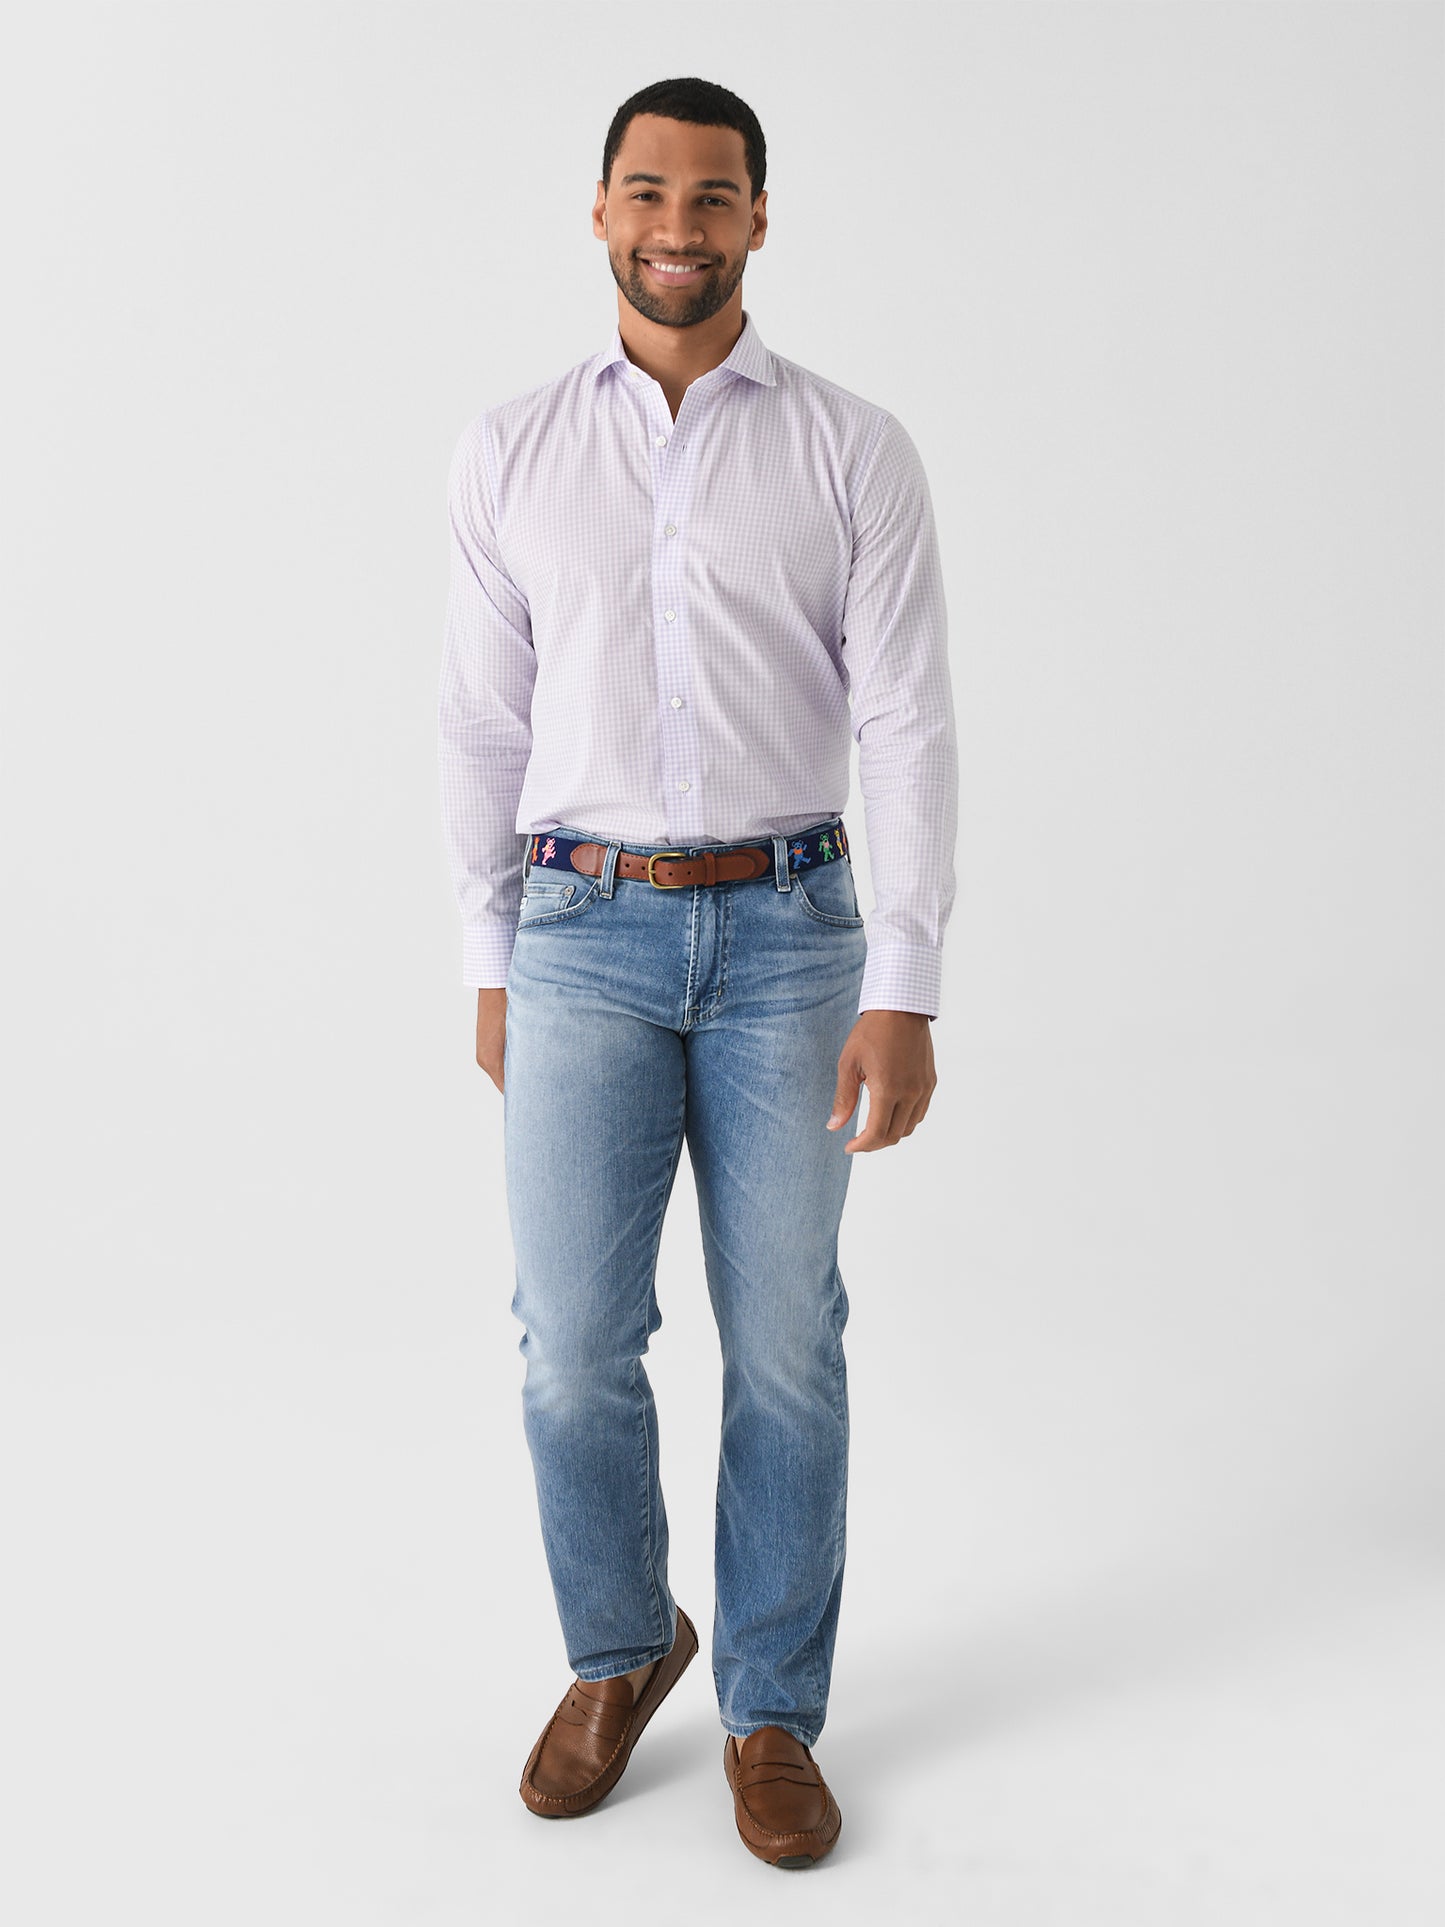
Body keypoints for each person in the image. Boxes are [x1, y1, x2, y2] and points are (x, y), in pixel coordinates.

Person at [437, 74, 957, 1869]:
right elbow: (480, 722)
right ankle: (619, 1648)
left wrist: (906, 980)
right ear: (600, 212)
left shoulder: (849, 449)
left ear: (757, 220)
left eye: (712, 196)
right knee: (572, 1348)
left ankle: (769, 1707)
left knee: (787, 1343)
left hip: (793, 939)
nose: (678, 226)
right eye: (647, 192)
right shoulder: (509, 449)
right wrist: (488, 956)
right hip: (576, 933)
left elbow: (904, 721)